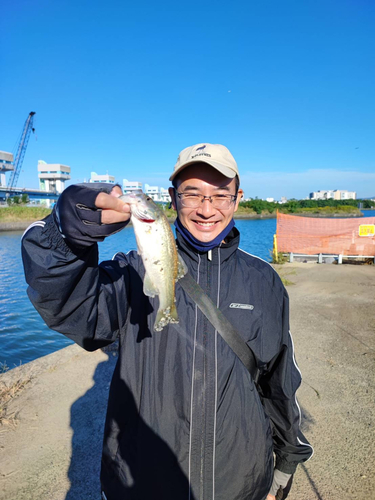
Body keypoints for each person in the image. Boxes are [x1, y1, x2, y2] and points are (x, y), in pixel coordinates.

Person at [22, 143, 313, 500]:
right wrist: (66, 235)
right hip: (144, 485)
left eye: (220, 195)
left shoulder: (265, 280)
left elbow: (280, 382)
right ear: (173, 201)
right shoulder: (131, 271)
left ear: (237, 199)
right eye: (193, 195)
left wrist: (284, 466)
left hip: (241, 483)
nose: (207, 209)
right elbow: (70, 307)